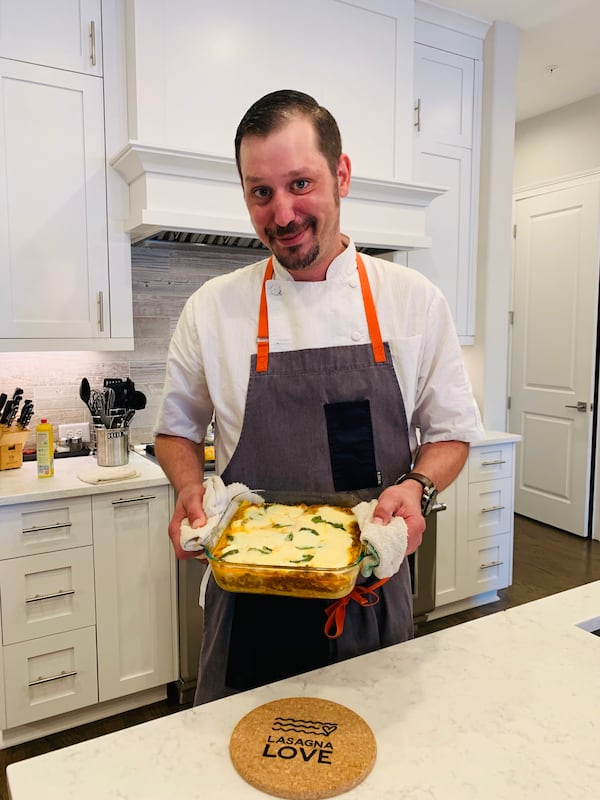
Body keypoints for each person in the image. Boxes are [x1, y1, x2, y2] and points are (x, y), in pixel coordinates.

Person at [154, 89, 484, 704]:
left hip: (367, 587)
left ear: (342, 176)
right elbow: (176, 430)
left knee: (374, 757)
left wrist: (417, 488)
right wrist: (188, 489)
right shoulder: (212, 308)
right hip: (248, 598)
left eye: (300, 183)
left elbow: (450, 433)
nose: (282, 214)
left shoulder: (413, 300)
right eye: (261, 192)